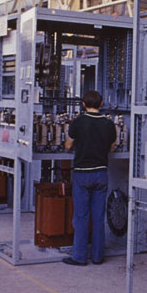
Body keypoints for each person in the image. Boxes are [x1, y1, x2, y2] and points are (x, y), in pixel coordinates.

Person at [62, 90, 117, 266]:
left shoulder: (78, 122)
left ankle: (79, 256)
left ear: (83, 104)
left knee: (81, 216)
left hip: (82, 173)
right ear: (101, 104)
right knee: (98, 216)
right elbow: (112, 148)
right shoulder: (109, 124)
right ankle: (97, 256)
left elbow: (68, 145)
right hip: (101, 173)